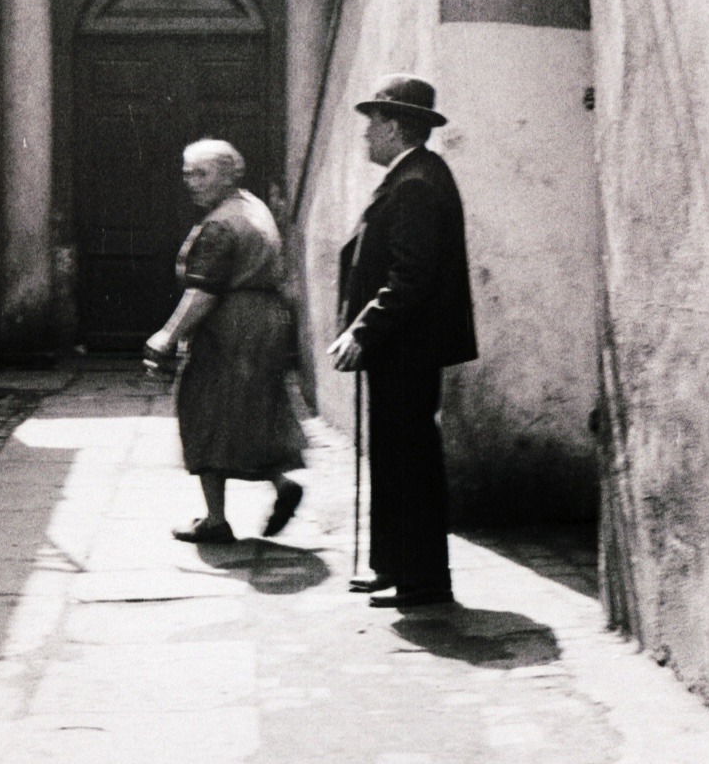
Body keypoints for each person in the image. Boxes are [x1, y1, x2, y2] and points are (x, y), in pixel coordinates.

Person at [328, 75, 476, 609]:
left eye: (372, 125)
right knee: (394, 461)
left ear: (393, 126)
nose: (366, 136)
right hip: (401, 347)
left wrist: (361, 331)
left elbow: (409, 277)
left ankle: (423, 580)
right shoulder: (413, 173)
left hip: (407, 347)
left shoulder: (416, 181)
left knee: (407, 463)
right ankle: (395, 567)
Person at [144, 139, 306, 544]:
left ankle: (215, 519)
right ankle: (280, 483)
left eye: (201, 173)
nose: (191, 183)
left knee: (202, 409)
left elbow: (203, 291)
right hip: (263, 323)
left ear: (230, 174)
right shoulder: (251, 206)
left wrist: (167, 335)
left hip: (229, 327)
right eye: (187, 173)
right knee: (249, 411)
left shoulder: (220, 224)